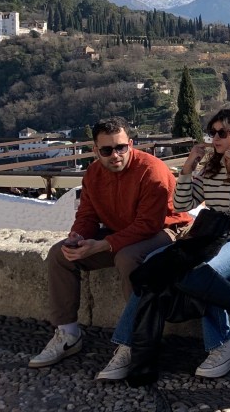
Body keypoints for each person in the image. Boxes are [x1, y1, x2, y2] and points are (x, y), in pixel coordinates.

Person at [97, 105, 230, 381]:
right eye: (212, 132)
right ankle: (129, 345)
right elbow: (182, 203)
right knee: (152, 267)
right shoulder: (211, 168)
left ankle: (224, 345)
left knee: (206, 273)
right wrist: (187, 169)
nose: (215, 138)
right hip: (213, 239)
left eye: (222, 133)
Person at [29, 117, 191, 369]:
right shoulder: (93, 173)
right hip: (122, 232)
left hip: (166, 229)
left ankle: (135, 340)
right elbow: (87, 215)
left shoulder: (152, 170)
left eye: (121, 147)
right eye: (106, 150)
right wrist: (78, 237)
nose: (115, 155)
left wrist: (103, 245)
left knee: (127, 257)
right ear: (96, 151)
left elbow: (148, 224)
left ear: (131, 144)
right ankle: (68, 334)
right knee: (60, 254)